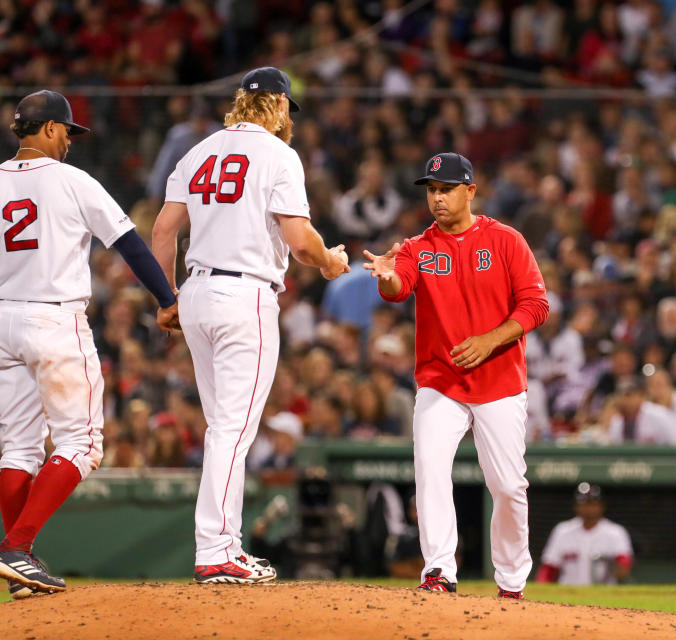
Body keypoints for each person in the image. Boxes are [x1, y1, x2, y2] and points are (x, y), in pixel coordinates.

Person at [151, 67, 349, 584]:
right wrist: (329, 261)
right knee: (233, 431)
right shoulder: (279, 155)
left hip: (195, 293)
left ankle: (226, 545)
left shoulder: (197, 151)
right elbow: (302, 243)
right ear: (280, 106)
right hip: (244, 296)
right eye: (288, 109)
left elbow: (164, 228)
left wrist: (166, 295)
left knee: (225, 428)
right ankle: (216, 547)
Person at [0, 91, 178, 597]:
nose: (69, 144)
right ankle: (16, 549)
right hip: (53, 320)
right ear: (52, 129)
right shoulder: (72, 181)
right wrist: (166, 299)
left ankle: (21, 567)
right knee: (82, 444)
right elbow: (129, 243)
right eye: (67, 133)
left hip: (3, 319)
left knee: (18, 449)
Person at [362, 152, 549, 599]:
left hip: (499, 380)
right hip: (440, 381)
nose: (437, 198)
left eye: (446, 188)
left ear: (470, 190)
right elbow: (397, 288)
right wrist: (386, 278)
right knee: (429, 468)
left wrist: (491, 339)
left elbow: (537, 305)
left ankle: (511, 582)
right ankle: (439, 570)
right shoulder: (417, 248)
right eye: (431, 189)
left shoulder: (505, 240)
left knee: (507, 486)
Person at [536, 483, 633, 586]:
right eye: (585, 503)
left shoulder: (615, 532)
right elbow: (549, 568)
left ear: (602, 506)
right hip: (567, 594)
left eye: (593, 503)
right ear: (576, 506)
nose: (589, 508)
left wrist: (615, 567)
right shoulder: (562, 531)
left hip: (603, 595)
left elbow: (624, 565)